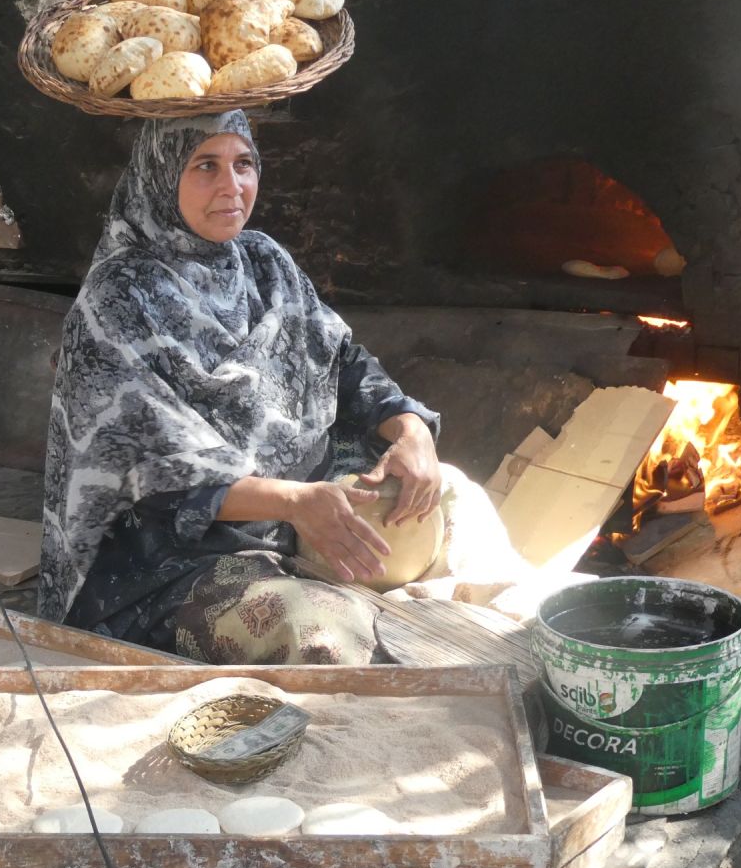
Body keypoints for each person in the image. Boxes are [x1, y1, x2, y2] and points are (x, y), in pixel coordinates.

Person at [38, 110, 490, 665]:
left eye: (244, 164)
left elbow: (343, 361)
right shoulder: (118, 299)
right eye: (206, 166)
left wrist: (411, 430)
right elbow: (155, 476)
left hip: (295, 510)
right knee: (326, 634)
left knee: (453, 495)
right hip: (167, 563)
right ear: (159, 176)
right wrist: (295, 503)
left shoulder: (262, 261)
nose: (233, 187)